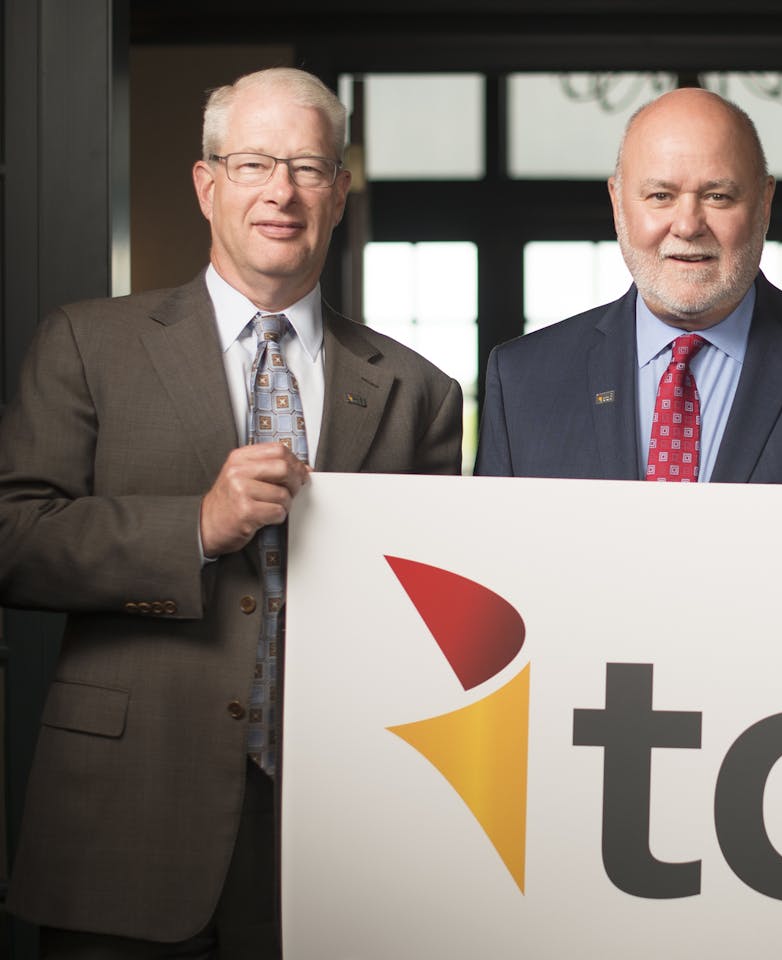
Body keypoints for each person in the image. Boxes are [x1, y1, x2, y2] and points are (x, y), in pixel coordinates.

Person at [0, 67, 461, 955]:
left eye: (308, 167)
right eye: (253, 164)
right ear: (207, 184)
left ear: (339, 192)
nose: (280, 192)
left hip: (347, 831)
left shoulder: (418, 391)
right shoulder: (89, 345)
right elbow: (13, 540)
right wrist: (196, 528)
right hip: (128, 813)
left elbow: (429, 615)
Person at [475, 87, 782, 486]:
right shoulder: (521, 382)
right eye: (660, 195)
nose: (688, 224)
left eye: (717, 196)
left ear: (764, 203)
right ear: (618, 203)